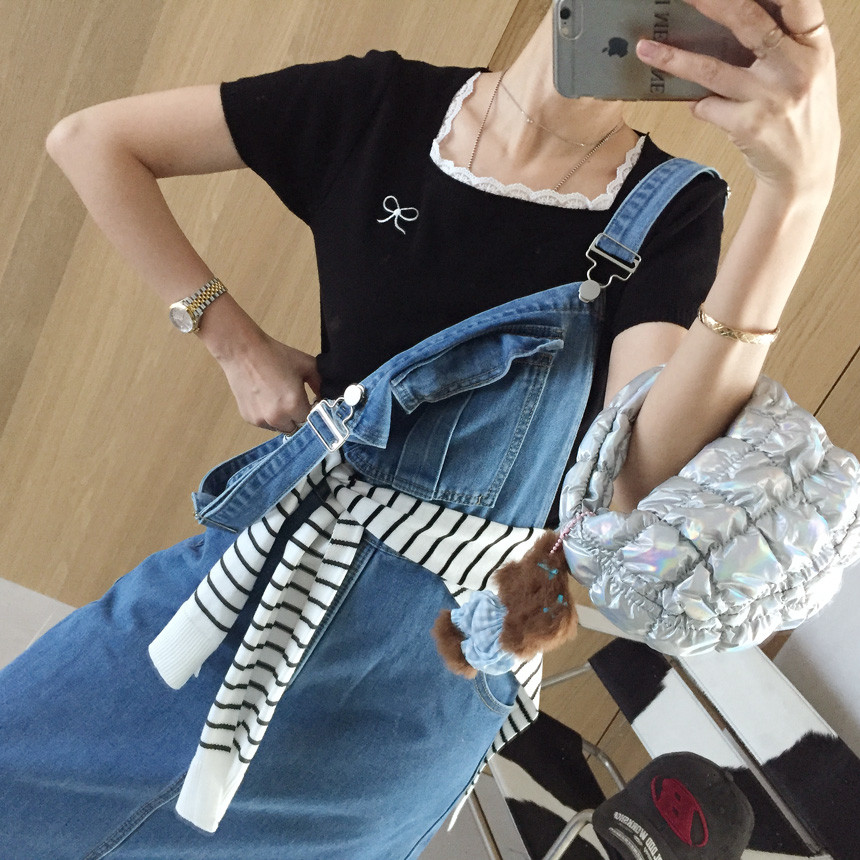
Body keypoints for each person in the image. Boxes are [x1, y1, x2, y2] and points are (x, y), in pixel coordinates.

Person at [0, 0, 839, 857]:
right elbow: (91, 142)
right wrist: (234, 344)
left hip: (407, 702)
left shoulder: (671, 209)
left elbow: (637, 480)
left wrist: (795, 196)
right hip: (245, 593)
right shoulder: (381, 107)